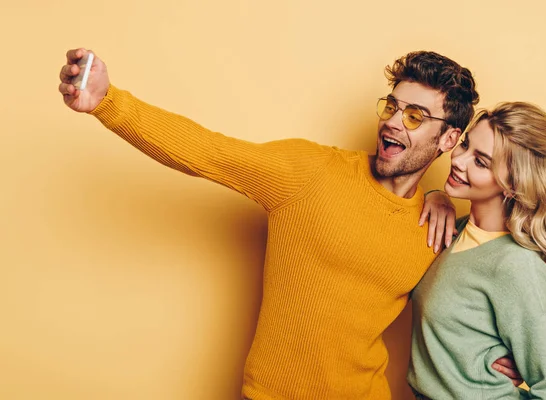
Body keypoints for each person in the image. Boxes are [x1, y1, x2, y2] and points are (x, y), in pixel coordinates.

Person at [58, 48, 519, 399]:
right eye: (392, 106)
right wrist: (108, 102)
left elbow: (472, 297)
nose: (394, 122)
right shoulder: (309, 172)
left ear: (449, 138)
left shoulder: (439, 228)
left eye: (416, 115)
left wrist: (498, 355)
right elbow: (207, 152)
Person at [408, 102, 546, 399]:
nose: (459, 161)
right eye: (465, 145)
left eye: (481, 162)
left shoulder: (516, 264)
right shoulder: (454, 230)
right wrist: (435, 196)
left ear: (513, 185)